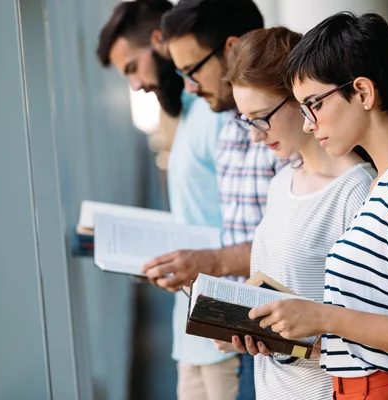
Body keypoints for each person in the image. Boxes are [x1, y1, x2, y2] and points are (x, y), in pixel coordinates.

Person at [249, 12, 388, 400]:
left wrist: (322, 315)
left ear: (364, 93)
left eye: (313, 104)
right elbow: (378, 336)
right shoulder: (385, 183)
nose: (307, 123)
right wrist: (293, 331)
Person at [211, 26, 375, 400]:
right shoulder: (280, 183)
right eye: (245, 120)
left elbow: (375, 335)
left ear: (298, 98)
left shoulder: (357, 191)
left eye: (260, 117)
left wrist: (296, 341)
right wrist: (254, 333)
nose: (254, 135)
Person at [141, 1, 285, 399]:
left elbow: (296, 248)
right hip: (243, 339)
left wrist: (210, 262)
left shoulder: (285, 137)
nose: (188, 86)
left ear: (231, 49)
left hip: (288, 344)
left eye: (192, 70)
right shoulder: (226, 129)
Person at [97, 2, 238, 399]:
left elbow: (256, 224)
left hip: (225, 335)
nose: (136, 85)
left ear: (158, 42)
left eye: (132, 68)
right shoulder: (193, 114)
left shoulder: (219, 115)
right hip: (192, 333)